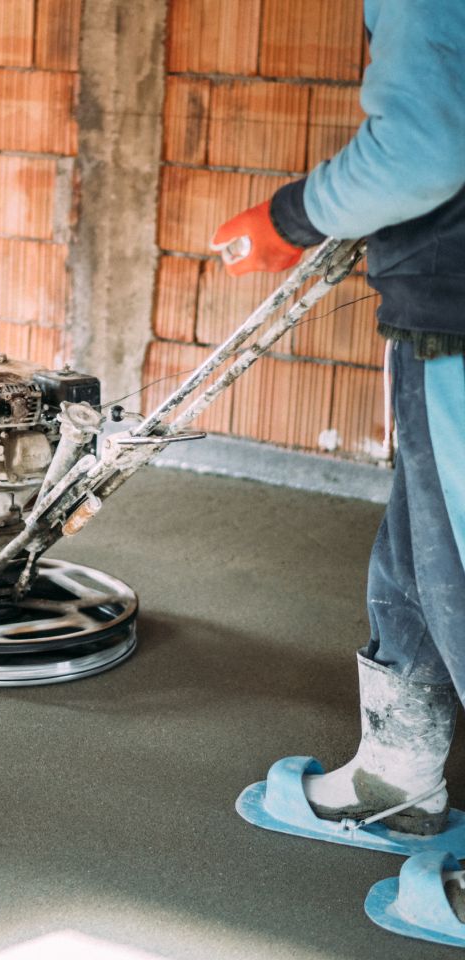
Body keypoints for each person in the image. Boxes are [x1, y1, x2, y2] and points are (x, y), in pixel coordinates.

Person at [211, 0, 465, 935]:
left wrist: (289, 216)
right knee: (419, 560)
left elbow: (426, 149)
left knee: (460, 574)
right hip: (444, 310)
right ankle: (396, 782)